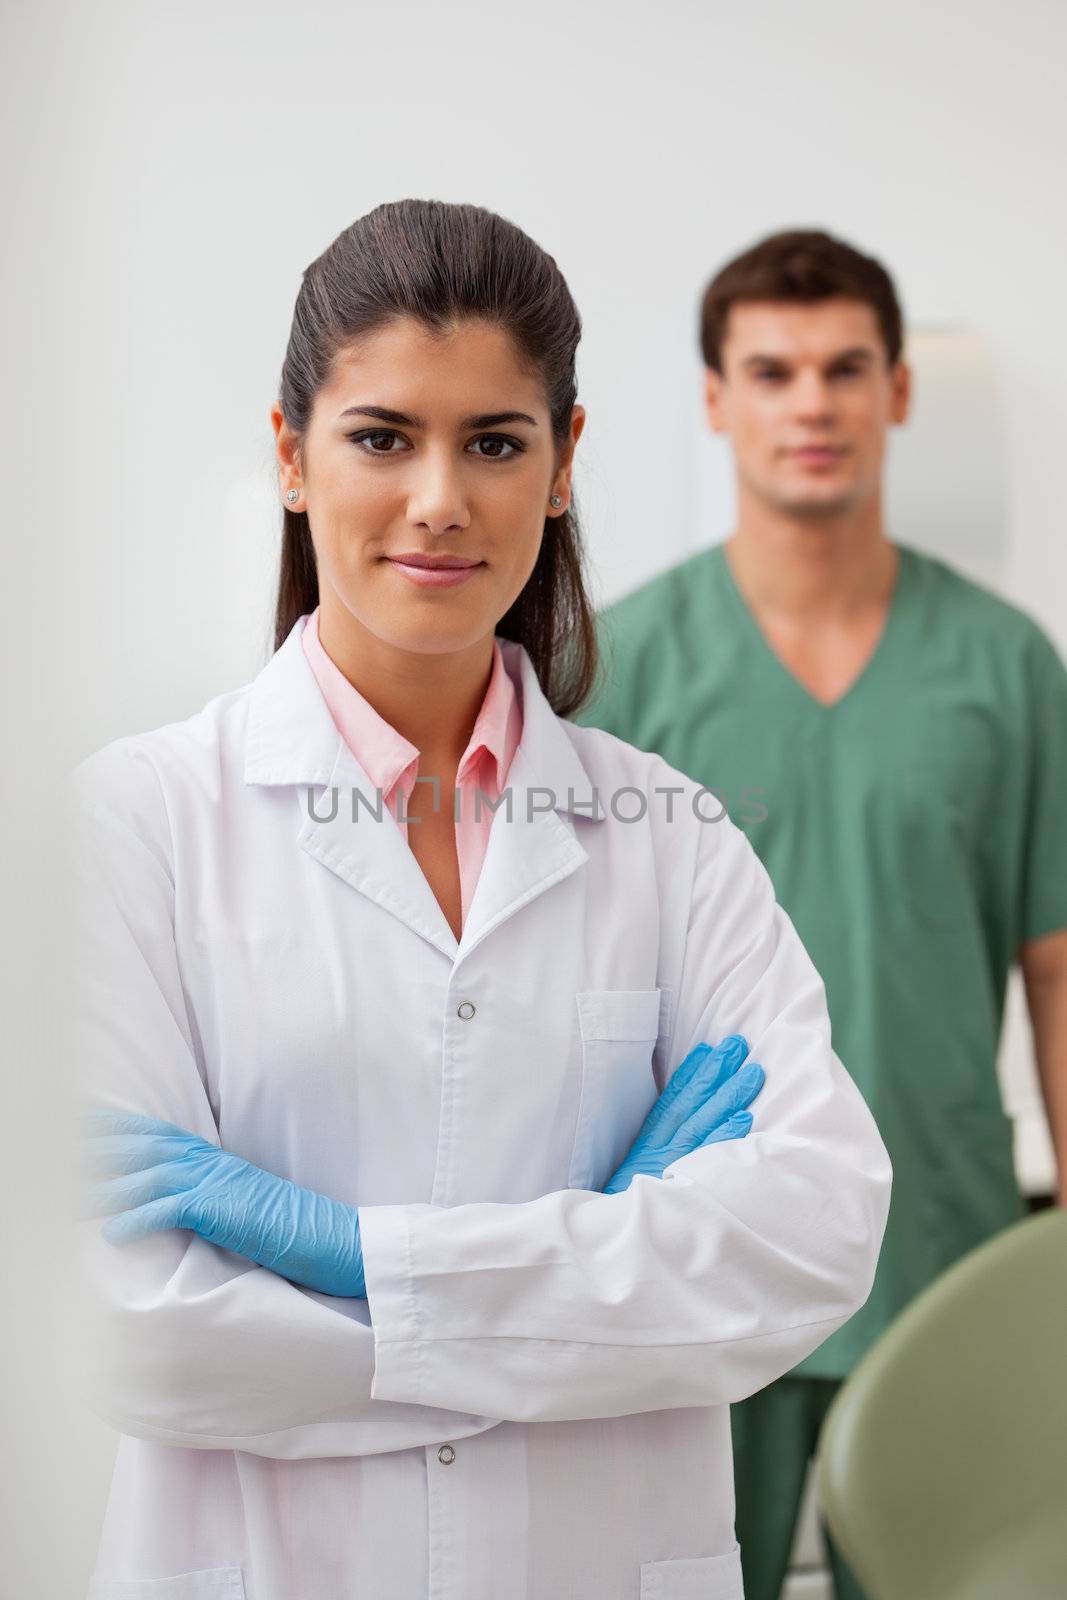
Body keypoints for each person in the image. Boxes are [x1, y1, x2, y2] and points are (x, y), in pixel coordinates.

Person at [70, 201, 891, 1600]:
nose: (440, 497)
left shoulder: (674, 842)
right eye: (381, 437)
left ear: (564, 466)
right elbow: (133, 1329)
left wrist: (352, 1264)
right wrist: (597, 1274)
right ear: (290, 456)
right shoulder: (131, 827)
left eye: (496, 442)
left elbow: (812, 1232)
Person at [576, 227, 1067, 1600]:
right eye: (773, 371)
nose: (813, 404)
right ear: (715, 399)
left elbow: (1059, 974)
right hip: (699, 1251)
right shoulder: (619, 670)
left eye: (847, 369)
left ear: (898, 392)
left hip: (945, 1253)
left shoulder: (1008, 667)